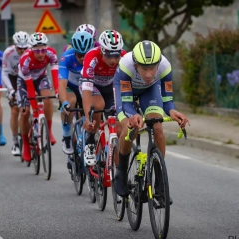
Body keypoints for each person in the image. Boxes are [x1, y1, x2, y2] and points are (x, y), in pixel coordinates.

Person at [113, 40, 190, 200]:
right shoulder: (126, 65)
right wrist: (133, 115)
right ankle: (121, 172)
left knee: (157, 127)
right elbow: (126, 104)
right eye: (144, 69)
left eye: (152, 69)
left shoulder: (165, 66)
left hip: (149, 91)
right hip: (125, 91)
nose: (148, 74)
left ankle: (160, 184)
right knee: (129, 128)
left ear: (158, 64)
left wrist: (173, 111)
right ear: (136, 65)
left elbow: (167, 100)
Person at [79, 29, 126, 166]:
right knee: (98, 105)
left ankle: (118, 171)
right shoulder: (92, 56)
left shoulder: (125, 57)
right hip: (92, 86)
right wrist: (88, 117)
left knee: (118, 128)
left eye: (116, 55)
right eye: (109, 55)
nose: (113, 60)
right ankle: (90, 141)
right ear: (101, 51)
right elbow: (87, 90)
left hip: (111, 88)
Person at [17, 32, 59, 162]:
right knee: (25, 113)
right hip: (25, 81)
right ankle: (25, 144)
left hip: (41, 78)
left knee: (48, 98)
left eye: (43, 50)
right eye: (37, 51)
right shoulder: (25, 59)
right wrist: (34, 108)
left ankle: (49, 131)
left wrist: (57, 90)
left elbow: (54, 73)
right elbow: (29, 87)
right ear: (31, 49)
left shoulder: (51, 54)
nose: (41, 54)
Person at [59, 31, 94, 154]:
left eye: (86, 54)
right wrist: (64, 102)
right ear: (74, 51)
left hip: (88, 87)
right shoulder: (66, 57)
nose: (83, 58)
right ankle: (67, 135)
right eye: (79, 55)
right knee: (70, 102)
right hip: (71, 86)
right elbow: (62, 84)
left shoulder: (96, 56)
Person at [2, 31, 30, 156]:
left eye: (25, 48)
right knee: (15, 109)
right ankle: (15, 142)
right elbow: (4, 73)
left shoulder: (32, 50)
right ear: (15, 45)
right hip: (13, 79)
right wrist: (11, 89)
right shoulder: (8, 53)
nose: (22, 51)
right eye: (19, 48)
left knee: (28, 108)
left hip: (27, 77)